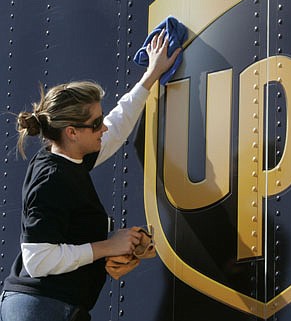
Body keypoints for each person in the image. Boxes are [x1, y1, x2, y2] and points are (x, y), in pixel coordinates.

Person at [0, 31, 180, 321]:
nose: (103, 128)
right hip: (41, 309)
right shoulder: (51, 179)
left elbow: (117, 125)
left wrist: (151, 75)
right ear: (71, 132)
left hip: (50, 307)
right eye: (95, 124)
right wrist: (108, 246)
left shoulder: (71, 158)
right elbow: (37, 260)